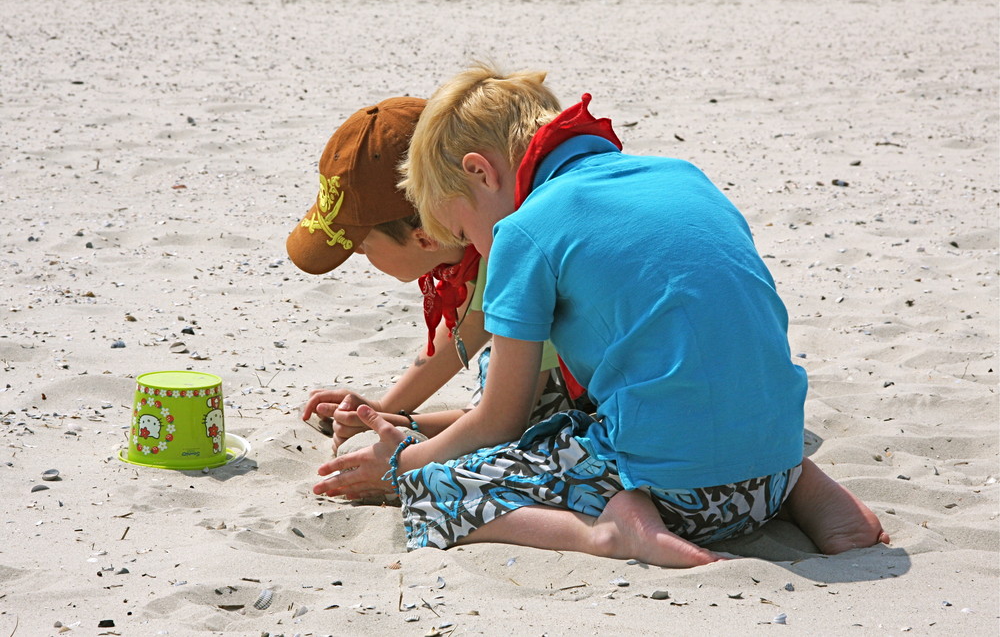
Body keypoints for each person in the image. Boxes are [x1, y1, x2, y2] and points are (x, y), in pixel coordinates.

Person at [311, 66, 889, 567]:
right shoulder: (683, 175)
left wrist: (401, 463)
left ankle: (610, 533)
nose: (477, 251)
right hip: (775, 465)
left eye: (463, 231)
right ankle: (815, 496)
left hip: (678, 497)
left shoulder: (522, 233)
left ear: (481, 172)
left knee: (434, 493)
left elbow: (499, 423)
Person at [286, 97, 582, 453]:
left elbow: (512, 419)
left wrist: (405, 428)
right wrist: (384, 408)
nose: (360, 256)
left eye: (360, 245)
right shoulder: (486, 226)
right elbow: (472, 322)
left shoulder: (517, 252)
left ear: (423, 238)